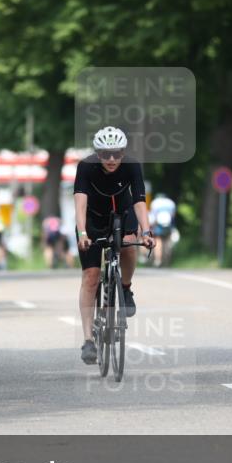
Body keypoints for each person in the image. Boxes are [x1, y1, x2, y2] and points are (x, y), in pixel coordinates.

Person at [75, 126, 154, 364]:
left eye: (117, 153)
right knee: (91, 276)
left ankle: (126, 288)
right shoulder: (86, 166)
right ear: (97, 153)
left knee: (129, 244)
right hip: (93, 218)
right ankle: (88, 340)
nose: (111, 159)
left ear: (123, 153)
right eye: (105, 154)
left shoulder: (132, 166)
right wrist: (82, 233)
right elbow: (80, 203)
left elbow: (139, 200)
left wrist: (146, 231)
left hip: (123, 213)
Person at [148, 193, 177, 267]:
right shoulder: (171, 203)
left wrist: (152, 227)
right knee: (167, 240)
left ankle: (158, 260)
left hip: (158, 225)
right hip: (168, 225)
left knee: (158, 241)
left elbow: (153, 216)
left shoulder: (155, 203)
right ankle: (167, 258)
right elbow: (173, 216)